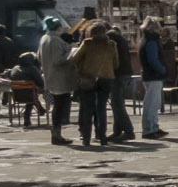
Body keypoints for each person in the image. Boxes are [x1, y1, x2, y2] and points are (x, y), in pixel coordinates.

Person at [72, 21, 120, 147]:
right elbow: (116, 64)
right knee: (101, 108)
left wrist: (81, 68)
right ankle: (102, 136)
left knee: (88, 108)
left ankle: (86, 138)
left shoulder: (87, 44)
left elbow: (74, 59)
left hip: (88, 78)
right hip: (106, 78)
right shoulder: (111, 45)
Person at [40, 16, 77, 145]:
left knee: (58, 105)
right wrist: (71, 53)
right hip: (60, 77)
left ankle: (57, 134)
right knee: (59, 106)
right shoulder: (55, 40)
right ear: (58, 27)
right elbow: (58, 60)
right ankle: (56, 134)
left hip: (50, 75)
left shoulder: (44, 39)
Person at [106, 27, 136, 143]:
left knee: (117, 104)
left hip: (118, 73)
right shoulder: (120, 39)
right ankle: (117, 131)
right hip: (126, 72)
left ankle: (128, 131)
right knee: (118, 103)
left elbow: (112, 58)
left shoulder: (110, 38)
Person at [139, 17, 168, 139]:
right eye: (158, 26)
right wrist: (162, 69)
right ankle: (149, 129)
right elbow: (153, 60)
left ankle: (154, 126)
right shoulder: (151, 41)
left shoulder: (146, 39)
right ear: (154, 28)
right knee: (152, 103)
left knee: (154, 102)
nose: (160, 29)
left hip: (150, 74)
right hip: (153, 75)